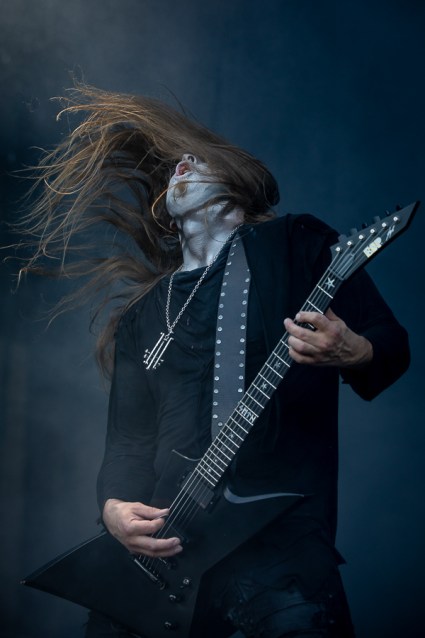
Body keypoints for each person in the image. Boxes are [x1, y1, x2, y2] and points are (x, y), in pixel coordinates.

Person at [22, 83, 409, 638]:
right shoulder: (143, 315)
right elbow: (128, 443)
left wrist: (353, 350)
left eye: (196, 160)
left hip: (277, 549)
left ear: (236, 182)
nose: (180, 165)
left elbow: (391, 346)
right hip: (162, 556)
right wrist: (113, 509)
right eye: (176, 165)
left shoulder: (294, 244)